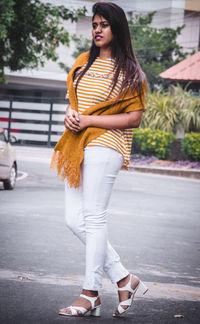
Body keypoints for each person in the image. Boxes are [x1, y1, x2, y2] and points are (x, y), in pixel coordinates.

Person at [50, 1, 148, 318]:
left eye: (104, 24)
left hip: (107, 146)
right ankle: (123, 278)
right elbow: (76, 103)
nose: (97, 29)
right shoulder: (83, 62)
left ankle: (90, 292)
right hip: (77, 145)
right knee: (73, 219)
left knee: (93, 218)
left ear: (116, 28)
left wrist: (90, 122)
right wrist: (71, 117)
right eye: (94, 24)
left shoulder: (130, 72)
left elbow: (133, 118)